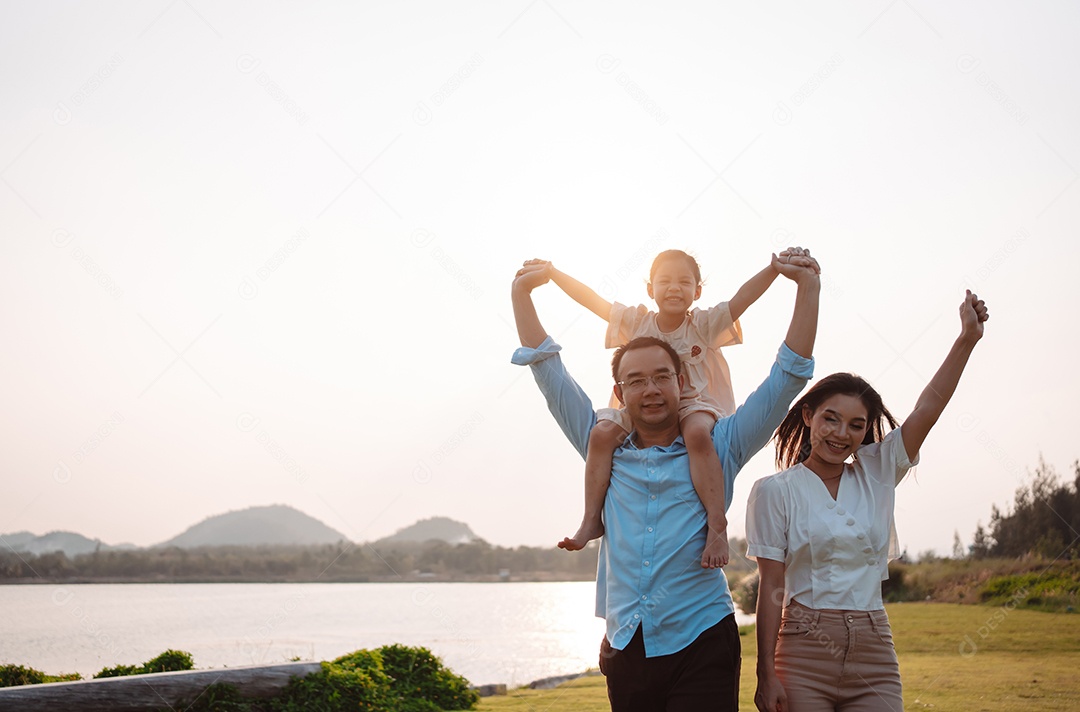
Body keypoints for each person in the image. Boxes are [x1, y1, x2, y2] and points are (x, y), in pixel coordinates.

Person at [510, 249, 820, 712]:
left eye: (662, 377)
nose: (651, 389)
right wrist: (521, 295)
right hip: (625, 643)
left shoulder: (721, 444)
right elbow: (548, 371)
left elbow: (787, 378)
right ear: (620, 392)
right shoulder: (602, 445)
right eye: (636, 381)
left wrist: (808, 288)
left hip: (703, 638)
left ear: (682, 383)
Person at [746, 291, 990, 712]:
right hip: (803, 651)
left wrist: (967, 339)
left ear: (865, 432)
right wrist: (765, 674)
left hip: (874, 649)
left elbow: (929, 407)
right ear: (808, 416)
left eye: (856, 425)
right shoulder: (774, 491)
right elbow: (771, 586)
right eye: (831, 419)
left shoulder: (878, 471)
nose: (841, 434)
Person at [523, 251, 788, 569]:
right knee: (601, 434)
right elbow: (593, 301)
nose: (674, 288)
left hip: (692, 403)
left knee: (698, 436)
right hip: (642, 407)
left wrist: (774, 268)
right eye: (665, 281)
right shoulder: (638, 322)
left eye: (684, 282)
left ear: (697, 291)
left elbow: (742, 299)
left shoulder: (702, 325)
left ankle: (717, 524)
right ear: (650, 289)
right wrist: (553, 273)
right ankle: (591, 519)